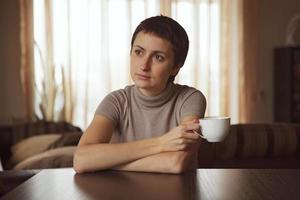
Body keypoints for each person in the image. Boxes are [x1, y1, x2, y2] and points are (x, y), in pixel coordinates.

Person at [73, 15, 206, 174]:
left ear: (175, 67)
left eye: (158, 57)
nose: (144, 65)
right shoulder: (116, 101)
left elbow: (176, 163)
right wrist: (161, 143)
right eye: (139, 52)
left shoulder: (190, 99)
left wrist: (106, 162)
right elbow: (81, 160)